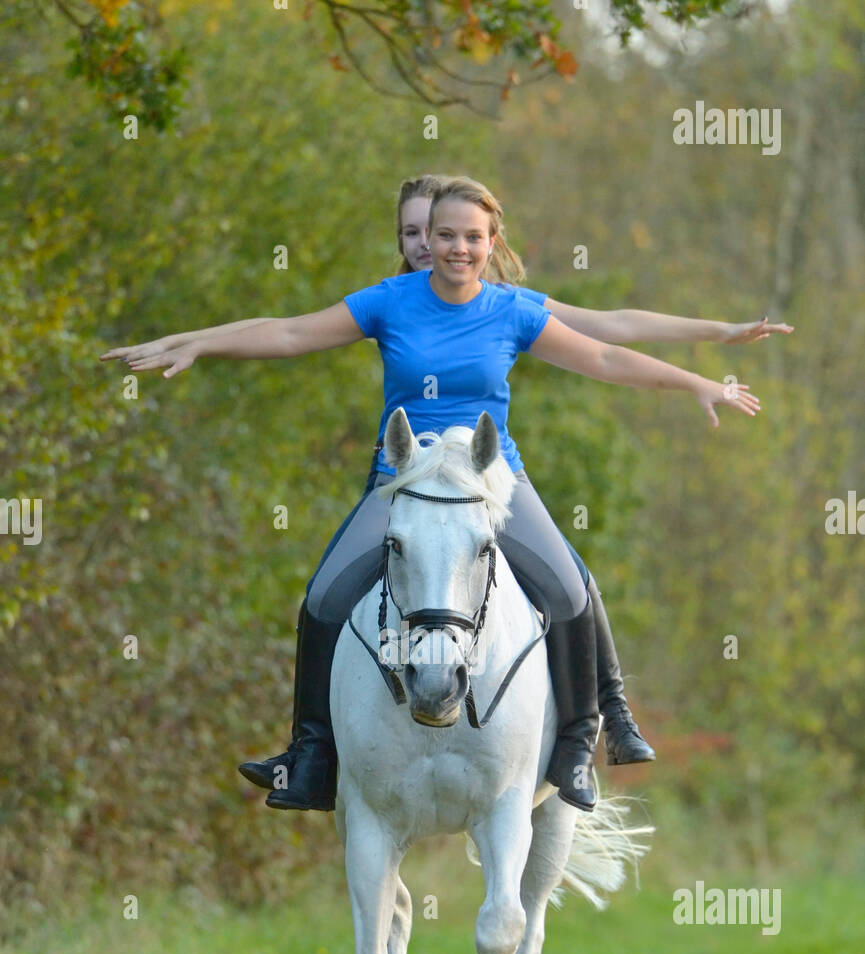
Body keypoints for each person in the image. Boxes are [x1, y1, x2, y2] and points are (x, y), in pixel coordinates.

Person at [100, 175, 760, 814]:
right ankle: (311, 755)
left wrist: (696, 382)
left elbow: (608, 355)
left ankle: (578, 745)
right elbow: (291, 332)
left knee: (569, 589)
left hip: (492, 480)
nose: (456, 248)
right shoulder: (389, 302)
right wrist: (197, 344)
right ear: (424, 240)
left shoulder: (512, 309)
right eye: (443, 236)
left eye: (471, 238)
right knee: (323, 598)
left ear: (491, 242)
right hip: (405, 481)